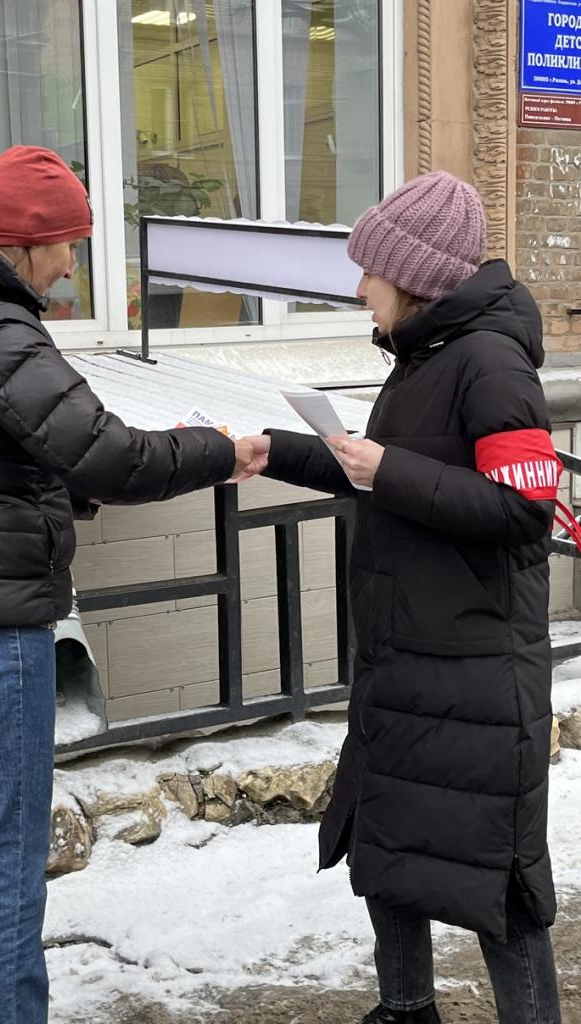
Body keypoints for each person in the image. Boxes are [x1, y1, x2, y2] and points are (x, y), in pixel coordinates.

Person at [0, 145, 252, 1024]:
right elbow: (107, 454)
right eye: (70, 241)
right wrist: (218, 450)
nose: (75, 260)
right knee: (4, 862)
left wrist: (65, 481)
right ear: (27, 243)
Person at [238, 171, 562, 1024]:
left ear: (413, 276)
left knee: (497, 880)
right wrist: (270, 449)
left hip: (476, 678)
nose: (358, 288)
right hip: (408, 664)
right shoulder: (424, 355)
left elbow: (525, 511)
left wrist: (393, 470)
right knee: (391, 850)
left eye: (369, 273)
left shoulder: (489, 361)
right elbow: (378, 471)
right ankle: (405, 1008)